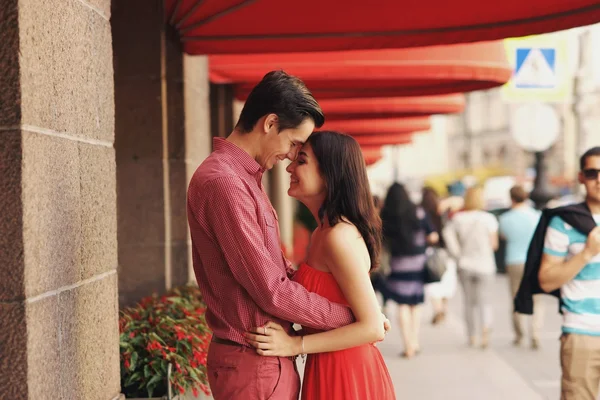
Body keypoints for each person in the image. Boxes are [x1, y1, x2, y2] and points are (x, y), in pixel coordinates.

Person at [187, 71, 389, 400]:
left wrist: (361, 317)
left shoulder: (243, 179)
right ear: (270, 123)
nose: (289, 158)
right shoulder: (225, 182)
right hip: (252, 358)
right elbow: (272, 291)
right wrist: (354, 317)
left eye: (300, 154)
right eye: (293, 143)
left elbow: (278, 277)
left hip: (263, 358)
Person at [244, 131, 396, 400]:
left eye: (301, 160)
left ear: (329, 174)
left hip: (347, 374)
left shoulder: (338, 237)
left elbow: (372, 327)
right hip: (329, 367)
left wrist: (294, 344)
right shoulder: (322, 234)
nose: (289, 166)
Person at [537, 147, 600, 400]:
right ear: (581, 177)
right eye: (592, 172)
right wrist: (586, 253)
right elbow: (546, 280)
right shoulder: (565, 222)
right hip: (582, 332)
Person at [379, 183, 439, 358]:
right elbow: (433, 236)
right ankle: (415, 341)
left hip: (397, 264)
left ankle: (407, 345)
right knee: (415, 304)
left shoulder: (386, 215)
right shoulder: (418, 212)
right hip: (418, 263)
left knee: (402, 304)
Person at [444, 186, 499, 348]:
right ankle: (485, 332)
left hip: (465, 264)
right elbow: (494, 245)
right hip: (485, 265)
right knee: (485, 301)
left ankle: (471, 335)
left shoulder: (458, 219)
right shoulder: (489, 219)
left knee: (468, 302)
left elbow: (448, 238)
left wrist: (458, 254)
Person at [498, 185, 543, 349]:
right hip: (534, 261)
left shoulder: (505, 218)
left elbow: (503, 236)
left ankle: (519, 334)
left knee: (516, 297)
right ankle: (535, 332)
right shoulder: (536, 216)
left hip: (514, 261)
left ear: (511, 198)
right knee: (537, 299)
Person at [422, 186, 458, 325]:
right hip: (445, 253)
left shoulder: (422, 214)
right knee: (446, 283)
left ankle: (438, 310)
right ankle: (444, 308)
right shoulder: (443, 214)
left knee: (433, 285)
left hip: (429, 253)